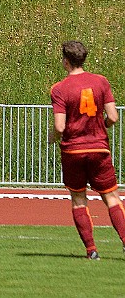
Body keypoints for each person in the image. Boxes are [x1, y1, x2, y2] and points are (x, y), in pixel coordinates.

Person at [49, 40, 125, 260]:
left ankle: (91, 250)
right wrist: (102, 125)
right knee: (111, 197)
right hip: (99, 148)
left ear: (66, 61)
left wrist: (52, 138)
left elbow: (60, 126)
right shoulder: (101, 82)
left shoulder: (60, 88)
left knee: (79, 199)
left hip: (73, 151)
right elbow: (113, 116)